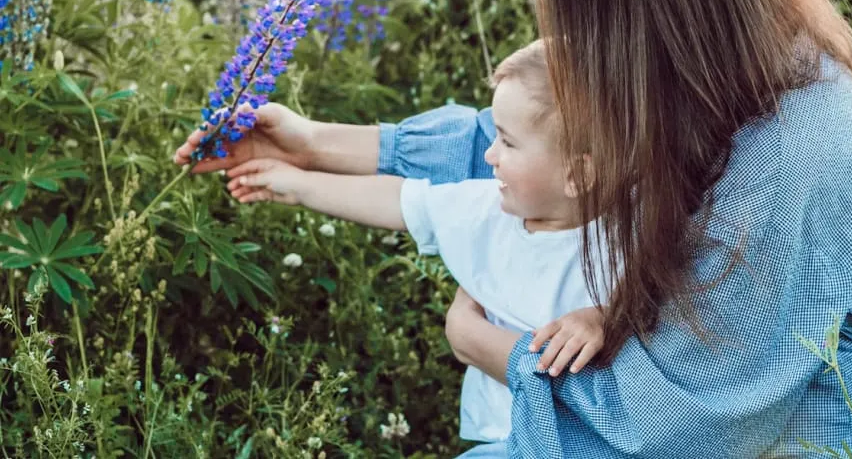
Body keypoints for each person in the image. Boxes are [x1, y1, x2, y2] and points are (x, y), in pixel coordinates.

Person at [175, 0, 852, 456]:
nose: (558, 28)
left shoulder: (800, 150)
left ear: (650, 1)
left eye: (573, 1)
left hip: (776, 437)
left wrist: (494, 351)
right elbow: (530, 143)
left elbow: (685, 427)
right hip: (659, 408)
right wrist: (311, 144)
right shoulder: (717, 60)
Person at [206, 42, 610, 455]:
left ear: (576, 174)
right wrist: (297, 183)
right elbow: (399, 200)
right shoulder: (486, 209)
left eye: (507, 142)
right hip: (503, 436)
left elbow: (661, 303)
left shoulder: (628, 236)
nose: (489, 154)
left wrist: (602, 316)